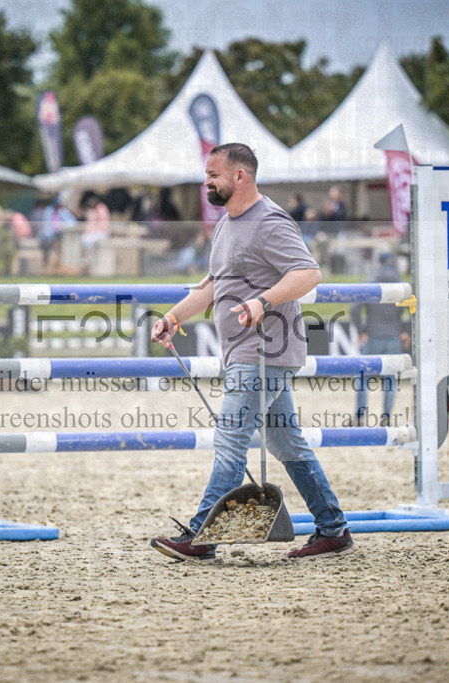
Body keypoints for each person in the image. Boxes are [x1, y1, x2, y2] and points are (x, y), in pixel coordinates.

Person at [150, 143, 353, 562]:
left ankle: (200, 537)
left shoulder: (270, 222)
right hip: (250, 354)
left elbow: (308, 273)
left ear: (240, 176)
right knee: (288, 446)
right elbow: (212, 285)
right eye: (206, 174)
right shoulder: (227, 224)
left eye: (214, 175)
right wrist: (173, 317)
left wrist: (263, 301)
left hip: (263, 354)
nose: (206, 181)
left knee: (230, 440)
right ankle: (333, 530)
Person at [351, 252, 409, 426]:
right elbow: (411, 310)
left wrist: (361, 331)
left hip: (373, 335)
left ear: (378, 263)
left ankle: (360, 417)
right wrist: (403, 330)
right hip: (393, 337)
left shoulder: (369, 282)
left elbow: (354, 308)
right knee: (390, 380)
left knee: (362, 378)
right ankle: (386, 418)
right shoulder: (401, 285)